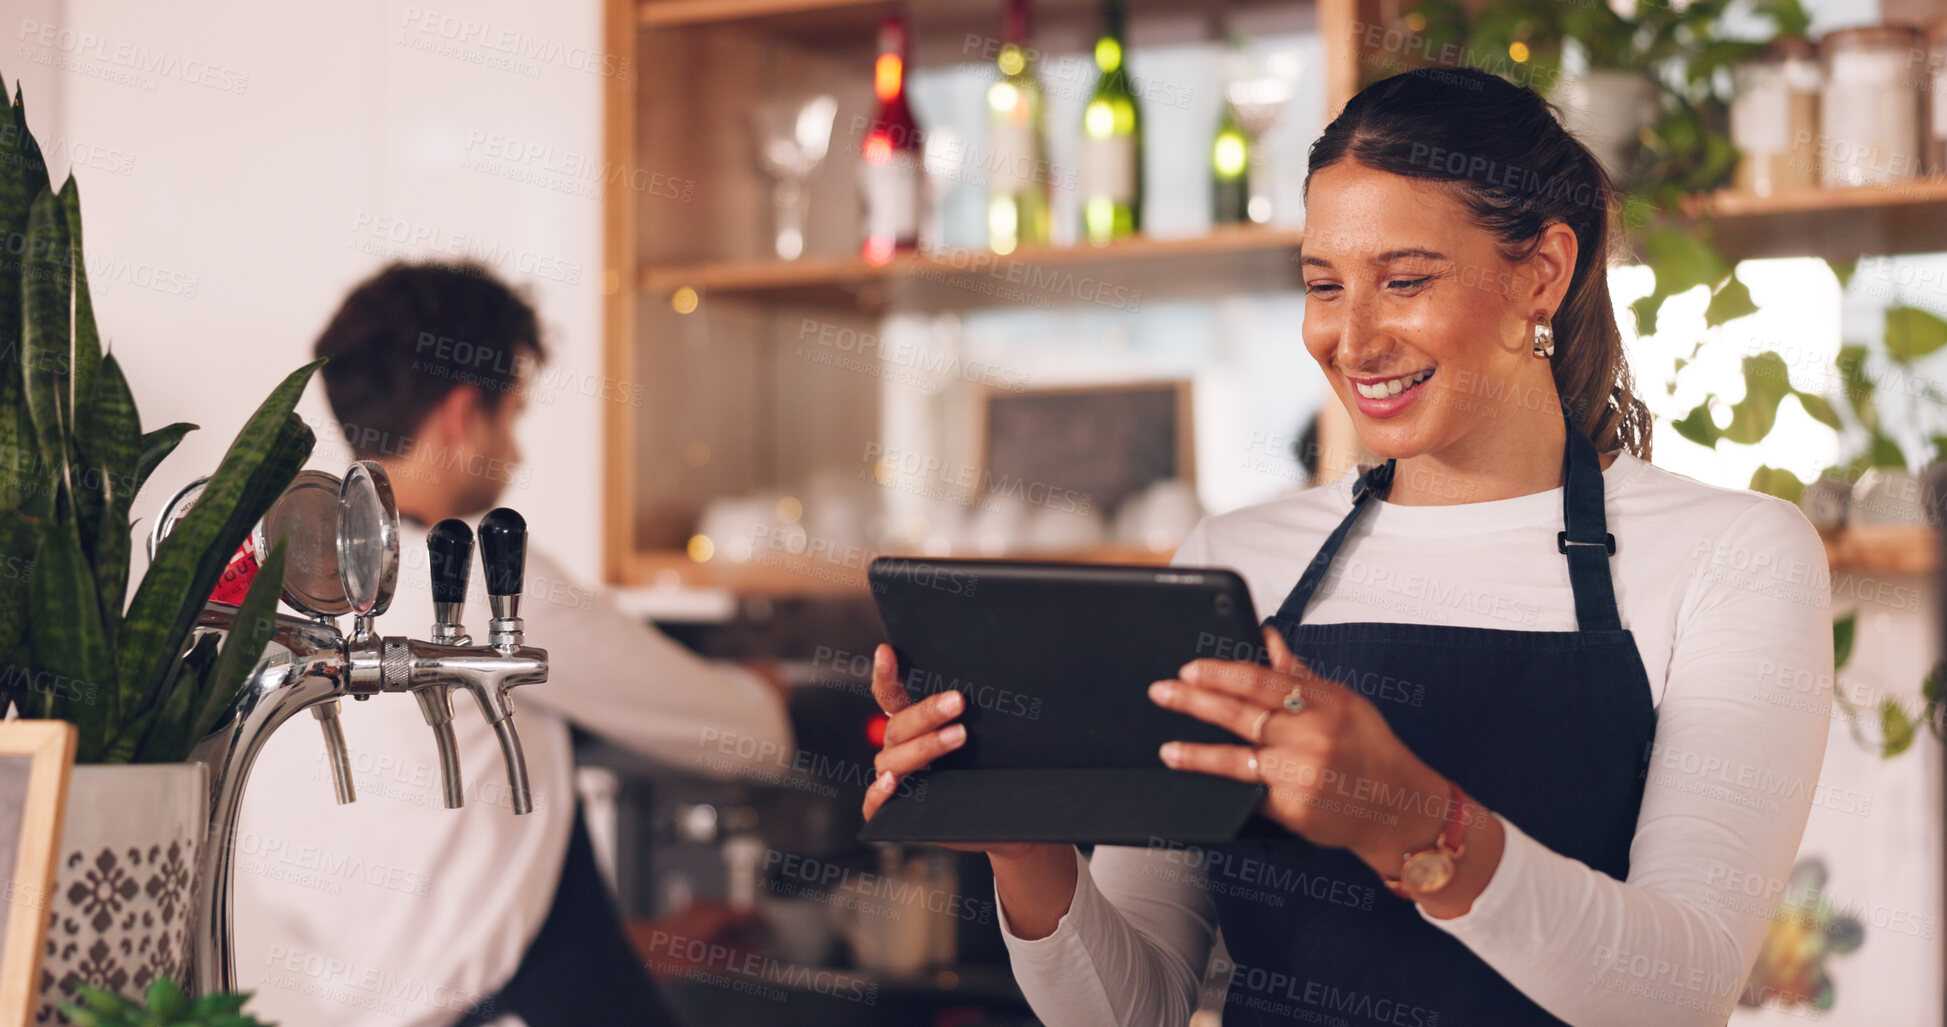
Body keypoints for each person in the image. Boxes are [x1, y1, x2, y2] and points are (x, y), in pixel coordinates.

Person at [864, 67, 1831, 1026]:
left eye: (1404, 281)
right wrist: (1025, 843)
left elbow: (1680, 993)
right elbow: (1135, 1010)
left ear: (1541, 271)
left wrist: (1412, 820)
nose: (1352, 338)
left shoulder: (1732, 555)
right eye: (1323, 285)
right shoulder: (1236, 562)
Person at [235, 262, 794, 1027]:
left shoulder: (283, 594)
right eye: (514, 417)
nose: (518, 454)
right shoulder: (483, 575)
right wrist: (766, 689)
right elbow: (746, 736)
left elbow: (418, 900)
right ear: (464, 412)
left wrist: (643, 940)